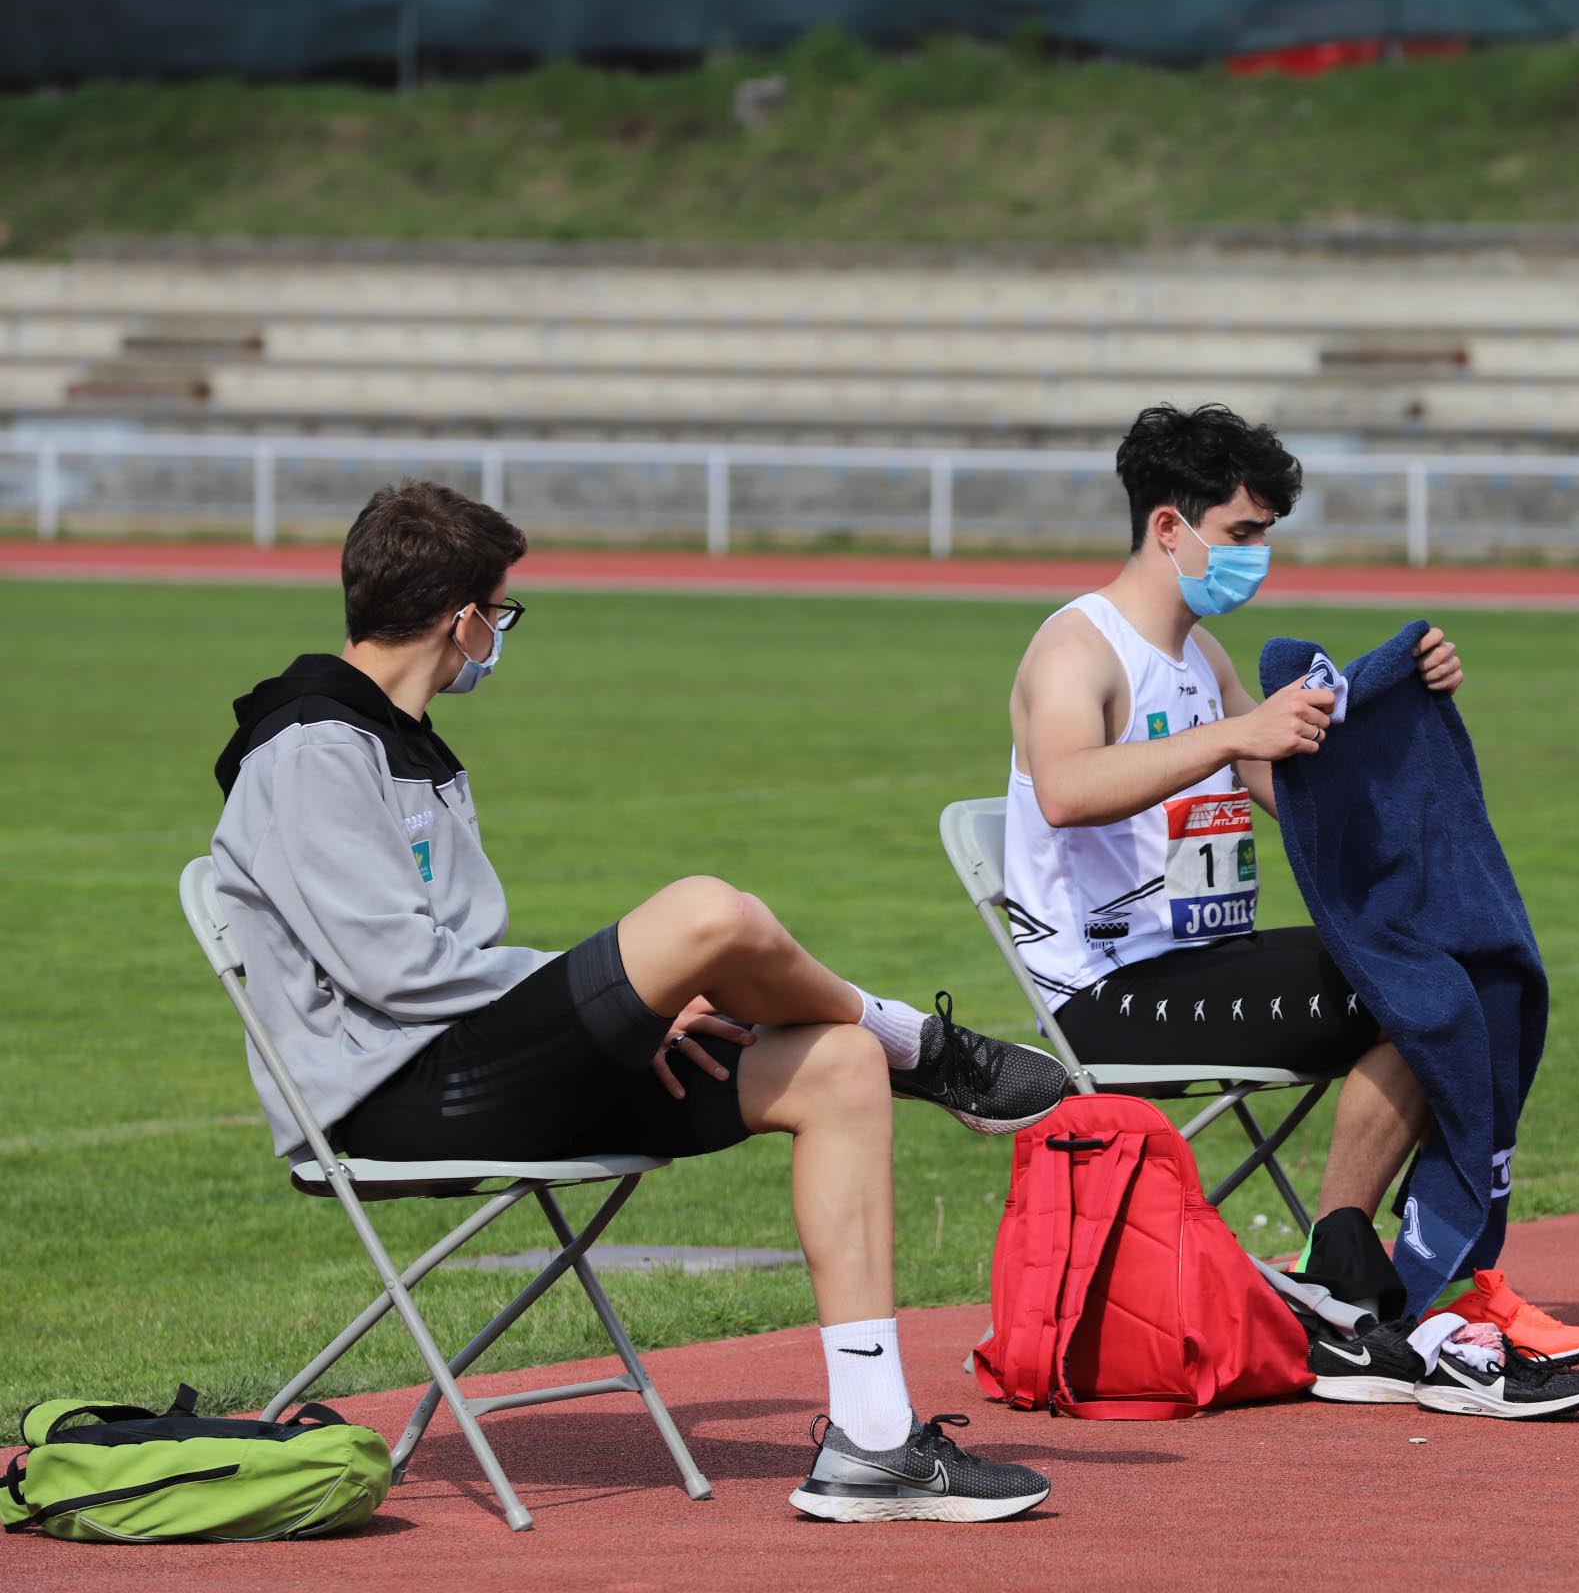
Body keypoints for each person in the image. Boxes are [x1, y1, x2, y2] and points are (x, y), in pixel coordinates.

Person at [211, 480, 1069, 1521]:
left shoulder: (398, 735)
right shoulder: (311, 747)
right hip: (387, 1095)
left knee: (831, 1069)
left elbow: (446, 954)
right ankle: (912, 1038)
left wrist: (617, 1018)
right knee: (705, 915)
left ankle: (876, 1443)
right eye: (501, 611)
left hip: (481, 1065)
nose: (499, 635)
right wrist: (631, 998)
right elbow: (401, 971)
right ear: (463, 619)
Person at [1002, 403, 1579, 1417]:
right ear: (1169, 528)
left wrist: (1394, 698)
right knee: (1417, 987)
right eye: (1242, 534)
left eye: (1267, 536)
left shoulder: (1201, 661)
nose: (1257, 558)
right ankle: (1359, 1280)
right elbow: (1066, 786)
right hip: (1108, 990)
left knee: (1445, 963)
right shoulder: (1079, 649)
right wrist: (1236, 732)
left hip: (1201, 965)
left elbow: (1293, 792)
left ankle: (1350, 1267)